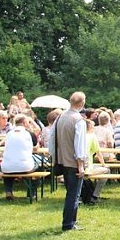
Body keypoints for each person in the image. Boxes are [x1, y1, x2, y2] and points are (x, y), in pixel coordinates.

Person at [49, 91, 89, 231]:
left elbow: (51, 139)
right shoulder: (78, 120)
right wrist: (81, 165)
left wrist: (55, 158)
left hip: (61, 161)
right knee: (73, 194)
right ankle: (68, 224)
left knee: (70, 193)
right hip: (72, 162)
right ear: (82, 103)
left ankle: (71, 222)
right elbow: (80, 145)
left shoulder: (59, 117)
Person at [0, 114, 40, 200]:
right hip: (25, 166)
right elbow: (36, 147)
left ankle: (8, 191)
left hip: (6, 166)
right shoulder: (29, 134)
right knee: (38, 167)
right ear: (24, 123)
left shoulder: (9, 134)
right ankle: (31, 193)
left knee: (9, 169)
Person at [84, 119, 110, 203]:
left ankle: (90, 193)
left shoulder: (79, 136)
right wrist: (103, 164)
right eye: (93, 126)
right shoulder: (92, 136)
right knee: (107, 171)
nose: (94, 127)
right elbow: (98, 153)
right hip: (87, 168)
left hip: (78, 166)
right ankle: (95, 195)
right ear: (89, 127)